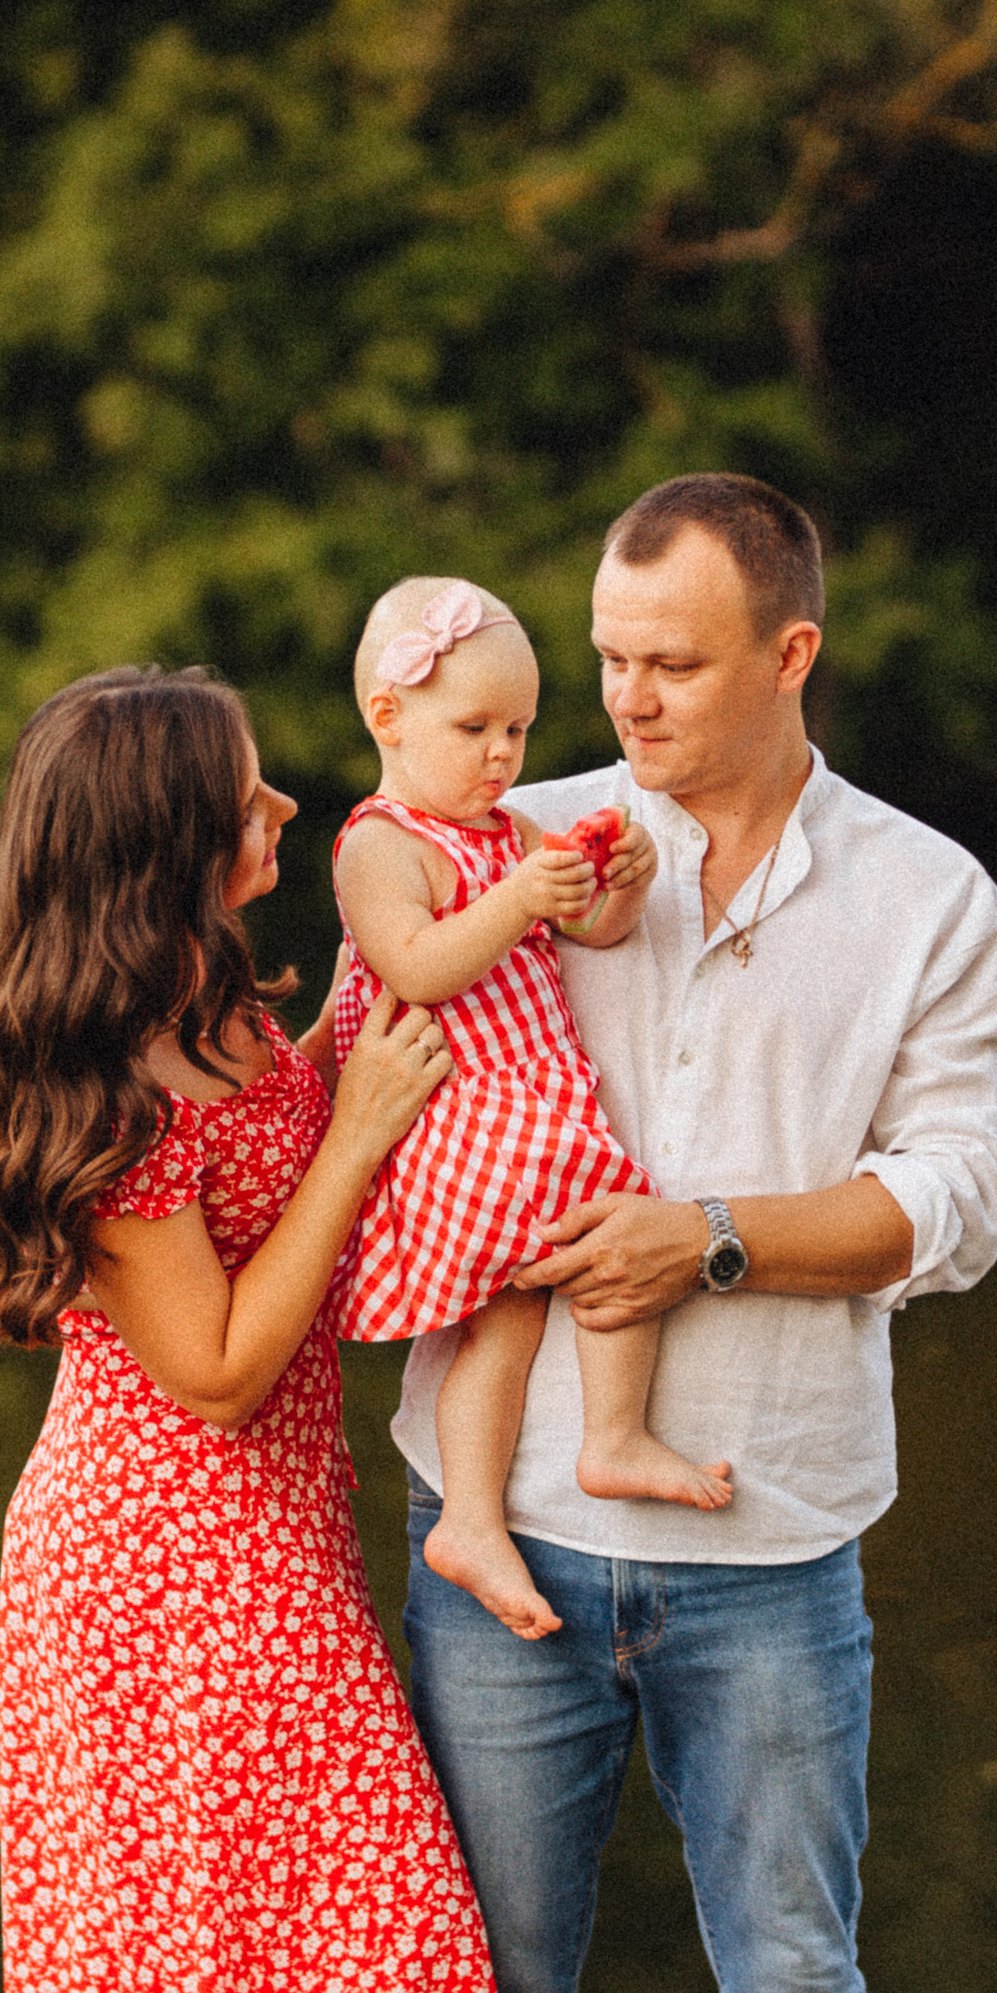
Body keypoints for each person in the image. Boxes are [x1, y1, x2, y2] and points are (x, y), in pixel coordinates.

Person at [392, 479, 997, 1993]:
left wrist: (718, 1239)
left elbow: (959, 1201)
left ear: (790, 655)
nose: (627, 700)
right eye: (607, 659)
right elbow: (376, 1029)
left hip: (770, 1547)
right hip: (499, 1537)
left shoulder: (929, 902)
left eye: (671, 663)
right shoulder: (521, 842)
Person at [0, 664, 516, 1993]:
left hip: (254, 1540)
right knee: (350, 1937)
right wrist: (356, 1133)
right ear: (166, 840)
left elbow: (304, 1182)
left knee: (223, 1958)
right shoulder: (100, 1083)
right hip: (156, 1549)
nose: (285, 815)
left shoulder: (226, 1013)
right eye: (254, 799)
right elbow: (214, 1366)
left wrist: (354, 1045)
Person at [331, 574, 729, 1647]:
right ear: (388, 717)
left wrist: (620, 883)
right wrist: (516, 899)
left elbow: (591, 933)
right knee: (615, 1225)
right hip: (466, 1117)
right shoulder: (380, 843)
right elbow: (414, 966)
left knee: (506, 1323)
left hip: (530, 1103)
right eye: (475, 729)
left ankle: (476, 1514)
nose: (502, 755)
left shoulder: (506, 830)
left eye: (517, 730)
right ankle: (612, 1438)